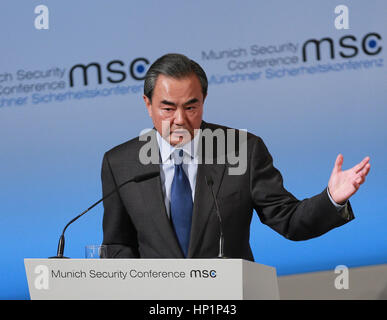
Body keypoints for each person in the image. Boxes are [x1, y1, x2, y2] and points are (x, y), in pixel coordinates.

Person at [101, 53, 370, 260]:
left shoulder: (242, 150)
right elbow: (117, 243)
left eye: (191, 107)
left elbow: (288, 220)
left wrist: (331, 199)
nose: (180, 119)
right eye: (168, 108)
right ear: (148, 104)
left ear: (204, 99)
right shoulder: (121, 163)